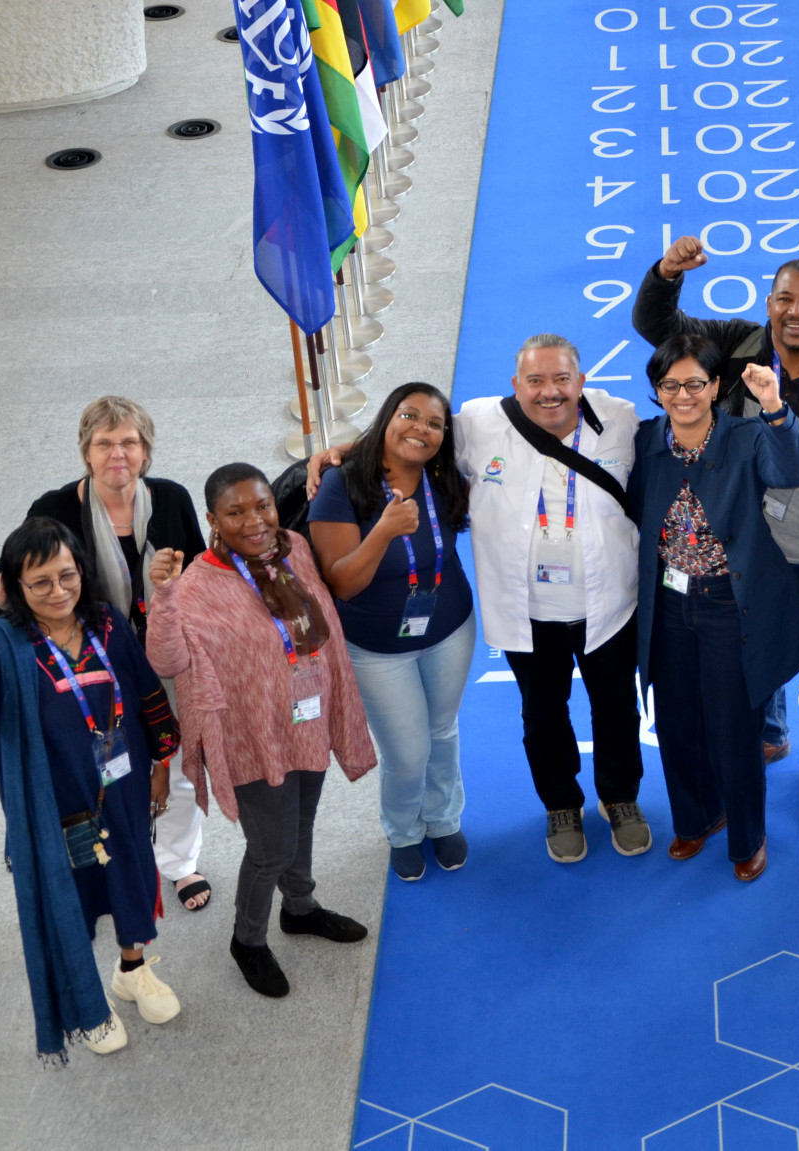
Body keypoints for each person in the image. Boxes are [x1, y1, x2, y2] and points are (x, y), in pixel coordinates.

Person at [0, 519, 182, 1060]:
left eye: (67, 575)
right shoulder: (2, 648)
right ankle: (89, 1005)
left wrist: (161, 764)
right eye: (40, 582)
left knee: (130, 877)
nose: (58, 591)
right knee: (69, 902)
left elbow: (147, 693)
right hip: (57, 811)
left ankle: (132, 970)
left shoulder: (107, 622)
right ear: (15, 586)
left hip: (123, 789)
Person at [633, 240, 799, 821]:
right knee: (751, 651)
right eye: (785, 299)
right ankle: (771, 731)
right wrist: (666, 273)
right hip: (740, 551)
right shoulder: (736, 346)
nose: (796, 311)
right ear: (768, 304)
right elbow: (657, 326)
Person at [148, 464, 377, 999]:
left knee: (302, 824)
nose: (254, 521)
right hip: (249, 735)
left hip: (306, 718)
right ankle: (247, 940)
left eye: (263, 506)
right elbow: (166, 660)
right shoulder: (194, 586)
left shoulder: (294, 549)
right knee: (271, 847)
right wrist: (163, 596)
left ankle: (300, 908)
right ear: (212, 520)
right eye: (236, 512)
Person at [0, 396, 214, 911]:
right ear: (86, 452)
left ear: (146, 451)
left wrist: (175, 586)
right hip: (90, 662)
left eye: (129, 442)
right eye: (104, 443)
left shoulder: (171, 498)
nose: (118, 454)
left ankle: (179, 863)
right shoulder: (55, 509)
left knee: (178, 765)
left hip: (166, 657)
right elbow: (11, 571)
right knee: (102, 766)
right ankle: (109, 862)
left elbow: (203, 574)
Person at [452, 336, 649, 862]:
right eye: (535, 381)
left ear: (580, 382)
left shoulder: (620, 419)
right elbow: (409, 444)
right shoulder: (479, 423)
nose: (549, 392)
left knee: (617, 709)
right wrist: (340, 454)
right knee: (542, 716)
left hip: (610, 608)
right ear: (515, 385)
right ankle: (561, 803)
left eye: (561, 379)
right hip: (529, 613)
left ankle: (620, 796)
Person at [628, 334, 799, 881]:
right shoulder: (647, 440)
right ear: (657, 391)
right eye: (670, 385)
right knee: (676, 722)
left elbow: (791, 472)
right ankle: (696, 819)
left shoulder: (746, 434)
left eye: (695, 383)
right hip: (668, 602)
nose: (682, 395)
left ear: (715, 386)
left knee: (734, 729)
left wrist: (774, 405)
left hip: (728, 606)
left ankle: (747, 836)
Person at [307, 383, 478, 881]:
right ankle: (404, 830)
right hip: (377, 647)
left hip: (450, 628)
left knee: (442, 731)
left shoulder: (443, 476)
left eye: (434, 424)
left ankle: (443, 818)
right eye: (409, 415)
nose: (420, 429)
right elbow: (342, 583)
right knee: (407, 752)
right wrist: (383, 531)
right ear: (387, 416)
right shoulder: (340, 485)